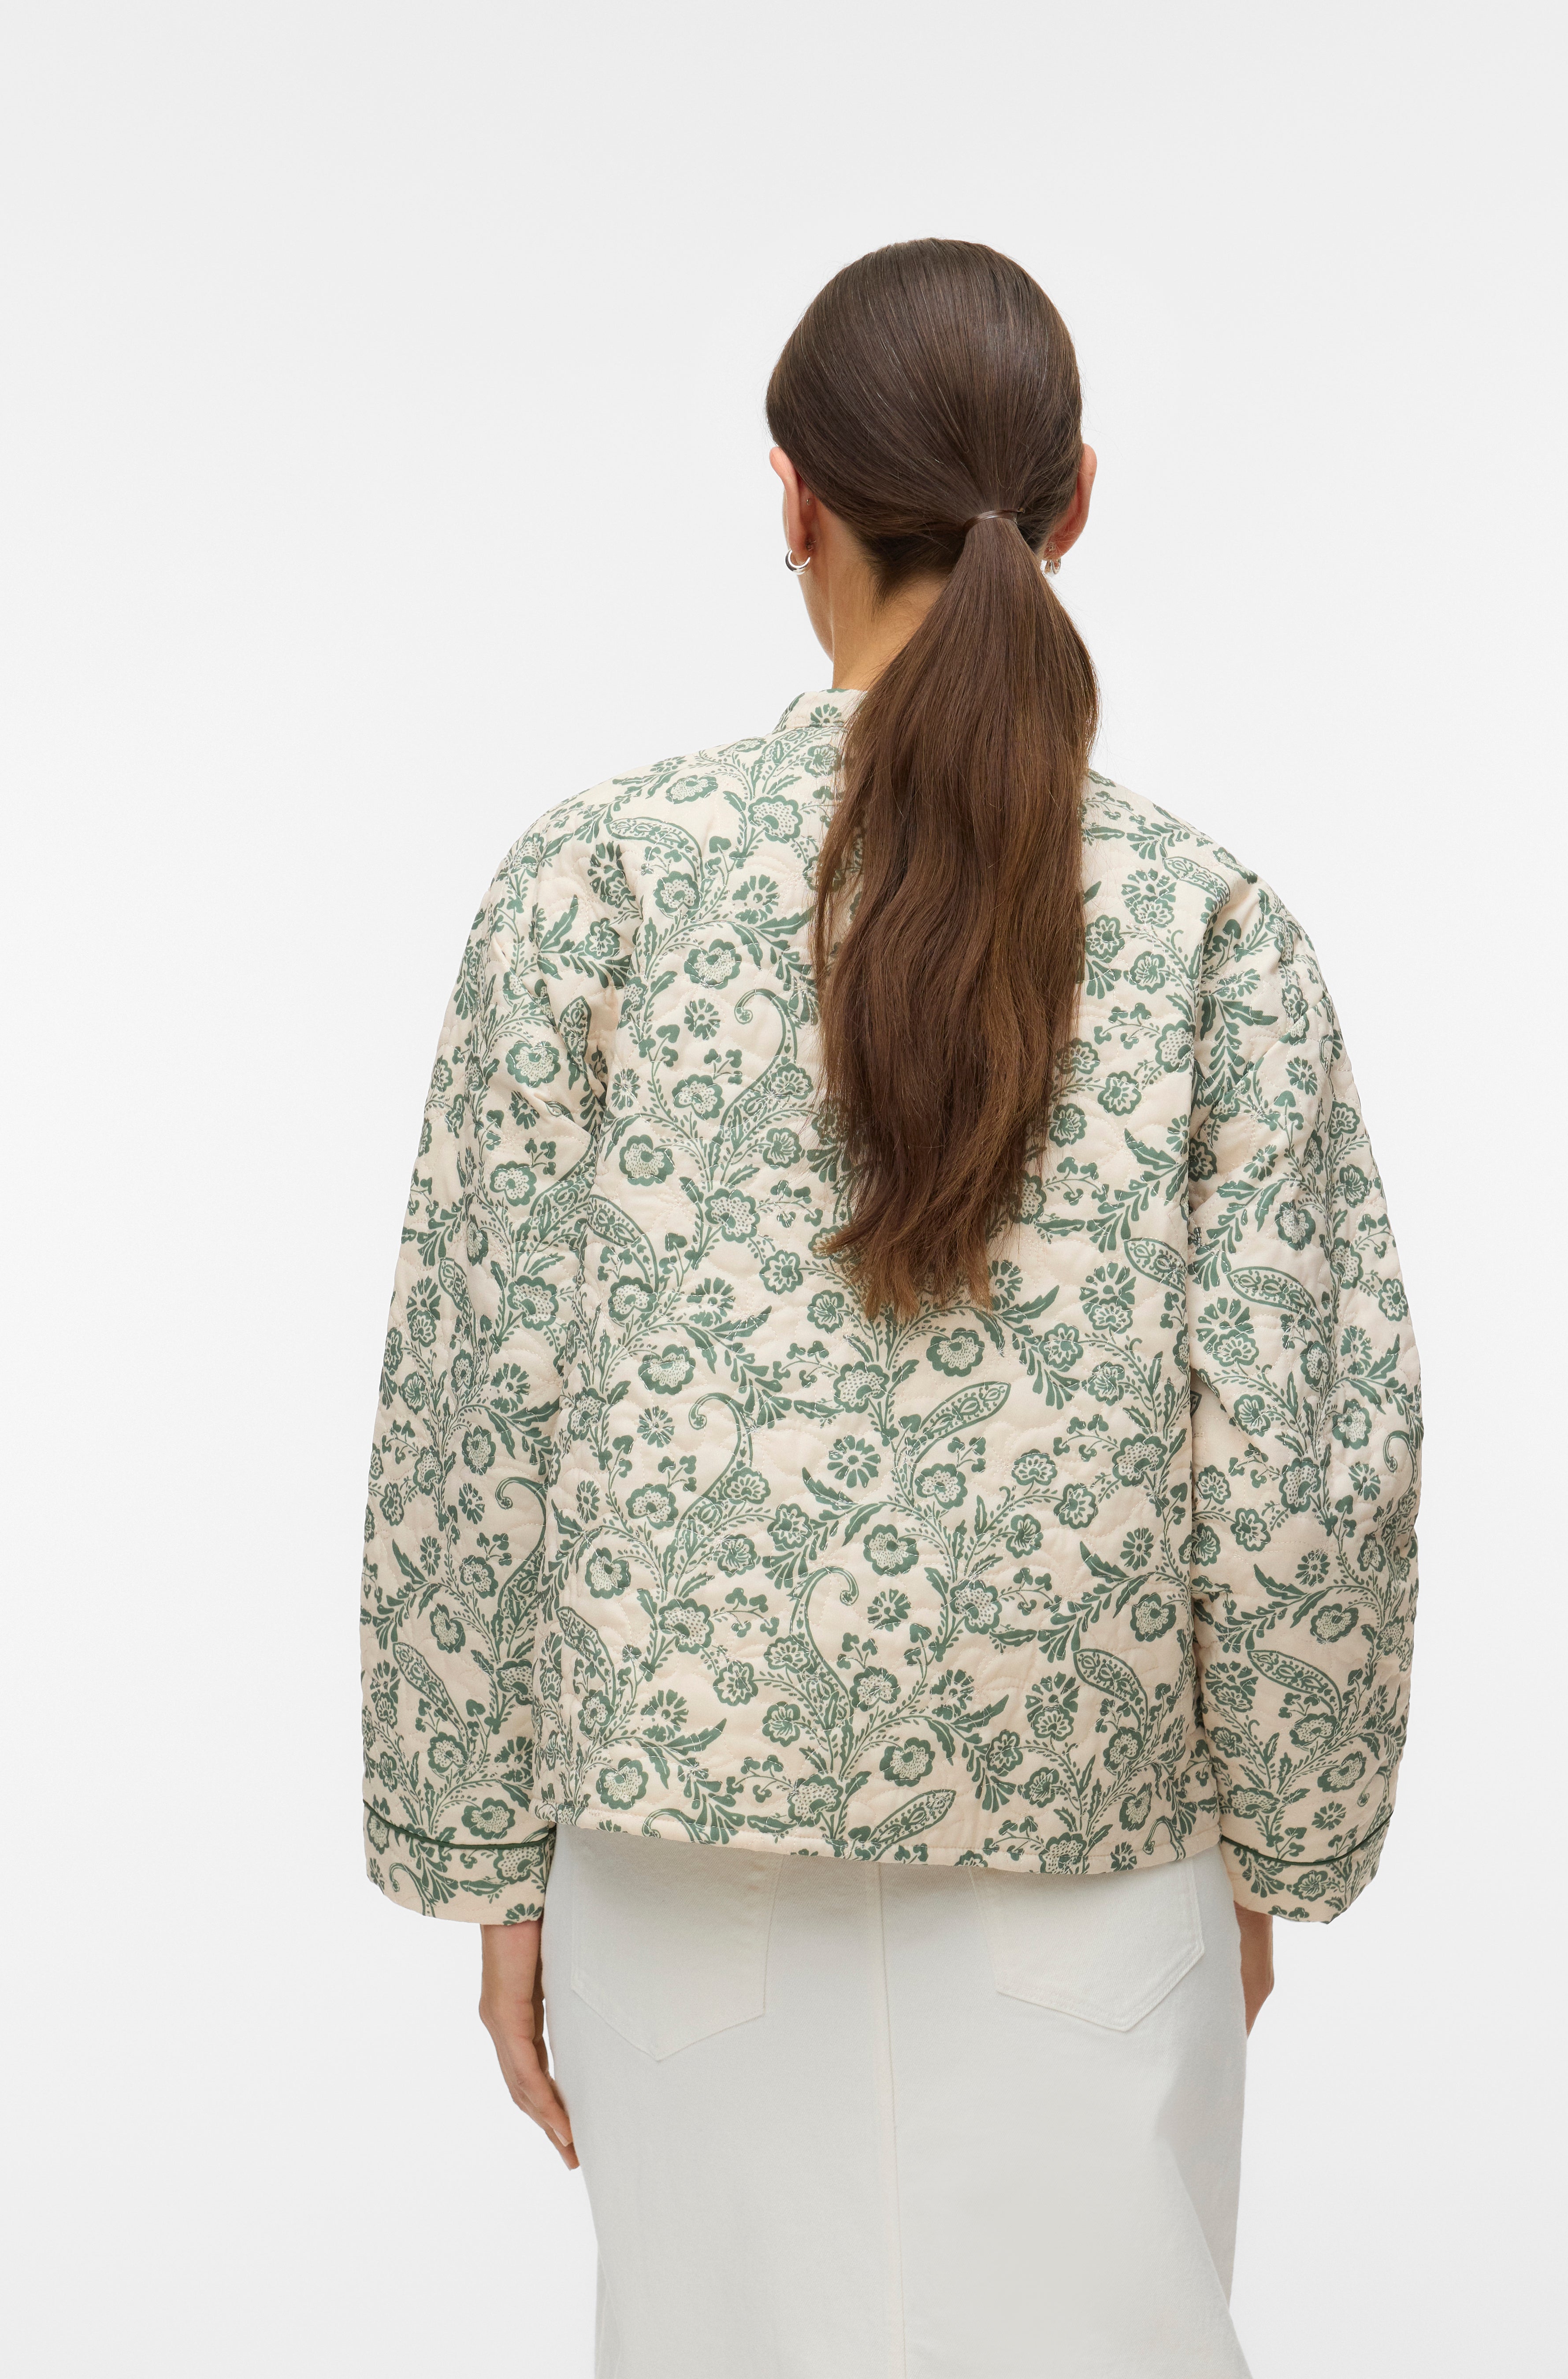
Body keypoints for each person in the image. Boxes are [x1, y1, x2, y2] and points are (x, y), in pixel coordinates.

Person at [360, 238, 1421, 2379]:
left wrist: (484, 1861)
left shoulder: (599, 884)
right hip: (1094, 1862)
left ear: (794, 502)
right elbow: (1307, 1466)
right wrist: (1280, 1849)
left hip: (679, 1869)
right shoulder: (1206, 927)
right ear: (1077, 501)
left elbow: (478, 1408)